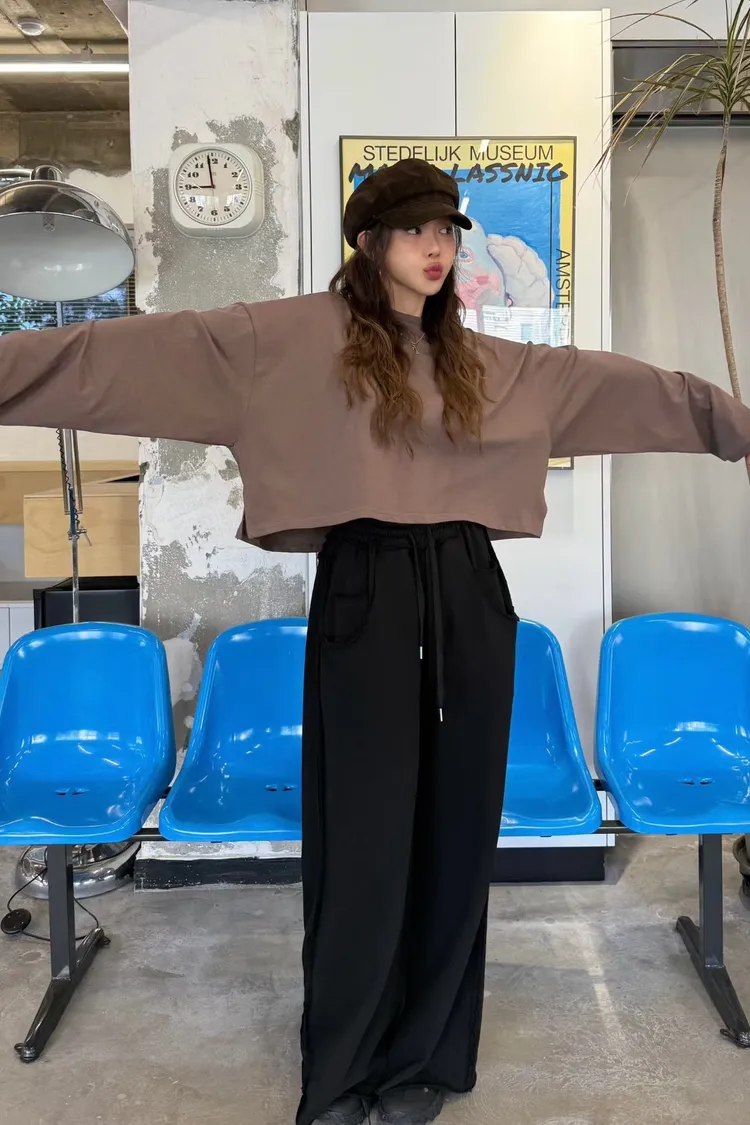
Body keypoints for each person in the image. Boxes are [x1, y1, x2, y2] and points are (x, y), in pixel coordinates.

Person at [2, 158, 750, 1125]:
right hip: (366, 591)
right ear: (369, 241)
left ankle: (426, 1056)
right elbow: (118, 358)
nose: (436, 248)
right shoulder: (280, 342)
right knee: (361, 839)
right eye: (414, 230)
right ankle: (342, 1069)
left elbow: (623, 388)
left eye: (447, 231)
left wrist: (733, 424)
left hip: (470, 594)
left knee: (457, 833)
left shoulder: (487, 361)